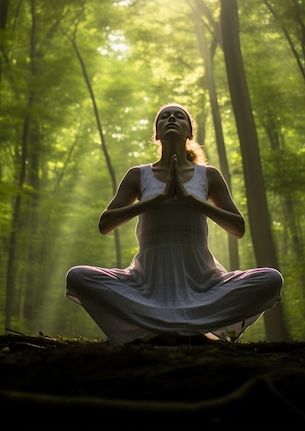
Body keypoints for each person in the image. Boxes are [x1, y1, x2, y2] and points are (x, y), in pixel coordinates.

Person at [66, 103, 283, 345]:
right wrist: (156, 199)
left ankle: (177, 327)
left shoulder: (208, 175)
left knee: (271, 279)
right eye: (164, 117)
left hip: (203, 284)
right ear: (156, 134)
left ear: (189, 133)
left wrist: (191, 200)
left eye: (179, 117)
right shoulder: (138, 175)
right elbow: (105, 224)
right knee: (77, 277)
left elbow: (238, 228)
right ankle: (174, 327)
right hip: (146, 286)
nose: (171, 118)